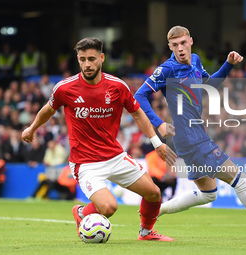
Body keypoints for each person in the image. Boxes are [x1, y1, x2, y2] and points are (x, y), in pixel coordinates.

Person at [134, 25, 246, 238]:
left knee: (208, 194)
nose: (180, 48)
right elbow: (139, 96)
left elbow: (208, 85)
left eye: (183, 43)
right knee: (239, 180)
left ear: (191, 41)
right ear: (170, 46)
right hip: (191, 138)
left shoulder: (195, 60)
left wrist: (228, 65)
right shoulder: (167, 69)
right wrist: (158, 123)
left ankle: (156, 211)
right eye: (175, 45)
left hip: (193, 137)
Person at [22, 37, 177, 241]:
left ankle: (146, 233)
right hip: (85, 162)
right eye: (83, 59)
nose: (87, 64)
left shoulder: (117, 86)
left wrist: (157, 143)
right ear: (78, 60)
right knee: (108, 207)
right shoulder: (64, 88)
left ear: (102, 58)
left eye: (92, 59)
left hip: (114, 156)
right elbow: (48, 110)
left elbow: (137, 113)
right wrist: (32, 128)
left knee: (153, 193)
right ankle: (81, 213)